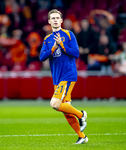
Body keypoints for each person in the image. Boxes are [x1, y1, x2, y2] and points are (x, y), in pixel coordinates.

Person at [39, 9, 88, 144]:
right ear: (49, 21)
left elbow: (76, 53)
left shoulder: (69, 34)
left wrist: (62, 45)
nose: (55, 20)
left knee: (54, 104)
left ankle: (81, 114)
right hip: (57, 77)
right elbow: (42, 57)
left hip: (68, 74)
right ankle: (82, 136)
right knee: (66, 109)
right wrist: (54, 48)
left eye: (57, 18)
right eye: (52, 18)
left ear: (61, 21)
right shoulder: (47, 39)